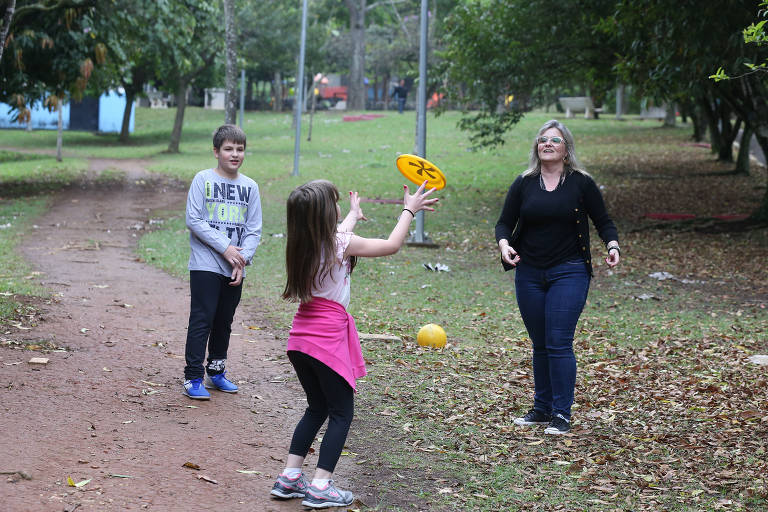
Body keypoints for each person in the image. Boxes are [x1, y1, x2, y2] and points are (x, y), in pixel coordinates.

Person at [270, 179, 438, 508]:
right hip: (327, 339)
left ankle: (289, 477)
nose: (337, 207)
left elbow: (336, 236)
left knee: (317, 407)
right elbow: (390, 245)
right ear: (322, 214)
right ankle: (321, 486)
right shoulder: (338, 242)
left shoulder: (302, 242)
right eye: (334, 202)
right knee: (341, 412)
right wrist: (409, 210)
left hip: (300, 338)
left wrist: (351, 214)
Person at [495, 119, 620, 435]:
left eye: (554, 140)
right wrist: (504, 245)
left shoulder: (581, 183)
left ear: (566, 149)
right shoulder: (524, 183)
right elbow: (503, 224)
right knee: (540, 343)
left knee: (558, 341)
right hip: (530, 272)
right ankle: (542, 408)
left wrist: (613, 244)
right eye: (542, 140)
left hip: (570, 270)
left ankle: (561, 414)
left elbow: (603, 220)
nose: (547, 144)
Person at [182, 124, 262, 399]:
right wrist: (225, 247)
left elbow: (253, 230)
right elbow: (194, 220)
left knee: (224, 320)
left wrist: (241, 259)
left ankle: (216, 372)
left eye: (240, 149)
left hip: (234, 266)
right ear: (216, 151)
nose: (235, 154)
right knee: (202, 319)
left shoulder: (250, 187)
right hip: (205, 263)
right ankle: (193, 377)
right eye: (228, 149)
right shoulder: (202, 179)